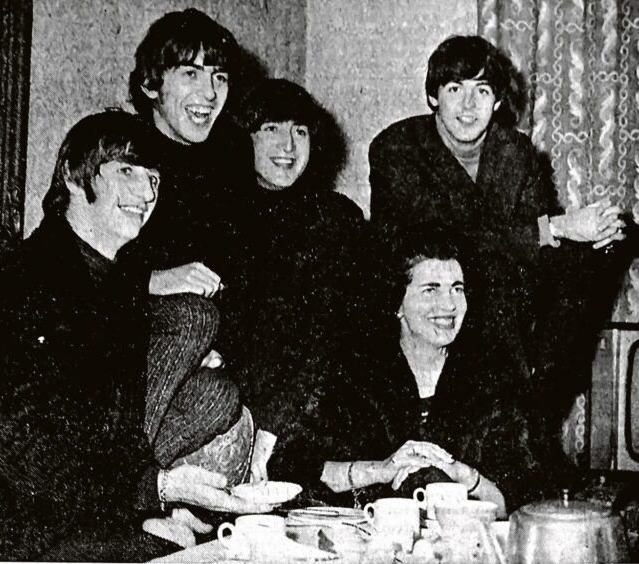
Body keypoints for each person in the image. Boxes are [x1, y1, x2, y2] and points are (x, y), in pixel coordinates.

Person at [0, 111, 271, 561]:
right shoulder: (17, 282)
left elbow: (115, 434)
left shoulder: (111, 286)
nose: (147, 192)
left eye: (153, 177)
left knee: (207, 546)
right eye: (127, 172)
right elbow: (20, 447)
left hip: (60, 513)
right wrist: (157, 487)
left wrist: (151, 505)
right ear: (75, 179)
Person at [368, 34, 629, 453]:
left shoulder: (516, 152)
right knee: (497, 277)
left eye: (482, 90)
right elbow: (444, 241)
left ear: (497, 102)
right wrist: (559, 228)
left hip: (507, 293)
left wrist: (597, 234)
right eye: (455, 89)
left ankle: (531, 415)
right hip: (424, 290)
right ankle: (523, 435)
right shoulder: (397, 148)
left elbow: (539, 249)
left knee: (606, 246)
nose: (468, 106)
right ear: (434, 96)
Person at [316, 225, 552, 516]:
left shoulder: (493, 379)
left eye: (457, 288)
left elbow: (524, 503)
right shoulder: (355, 373)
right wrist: (382, 470)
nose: (449, 305)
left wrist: (462, 475)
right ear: (397, 303)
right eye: (431, 290)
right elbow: (300, 469)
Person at [225, 79, 365, 484]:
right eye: (271, 129)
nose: (288, 146)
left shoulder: (337, 220)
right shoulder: (224, 216)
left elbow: (328, 338)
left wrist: (271, 429)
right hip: (233, 411)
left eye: (299, 131)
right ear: (245, 136)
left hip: (309, 413)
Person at [123, 7, 252, 298]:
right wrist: (151, 280)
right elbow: (64, 257)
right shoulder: (118, 148)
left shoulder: (233, 154)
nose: (209, 92)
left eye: (219, 76)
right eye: (191, 73)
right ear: (150, 84)